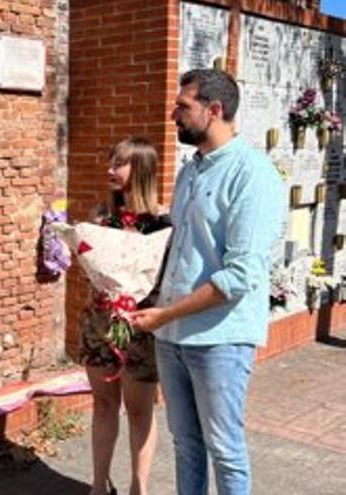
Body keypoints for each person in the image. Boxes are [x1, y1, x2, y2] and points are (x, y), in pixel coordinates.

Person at [131, 69, 285, 495]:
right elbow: (182, 247)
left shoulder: (253, 175)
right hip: (172, 335)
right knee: (186, 445)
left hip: (220, 338)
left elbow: (240, 276)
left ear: (214, 110)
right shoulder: (191, 171)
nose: (172, 114)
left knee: (226, 450)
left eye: (183, 106)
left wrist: (165, 314)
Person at [82, 137, 170, 495]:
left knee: (139, 411)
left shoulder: (164, 224)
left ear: (142, 169)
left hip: (142, 328)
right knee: (103, 405)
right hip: (100, 323)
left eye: (119, 163)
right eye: (110, 162)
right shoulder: (102, 219)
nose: (110, 170)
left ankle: (139, 488)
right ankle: (99, 486)